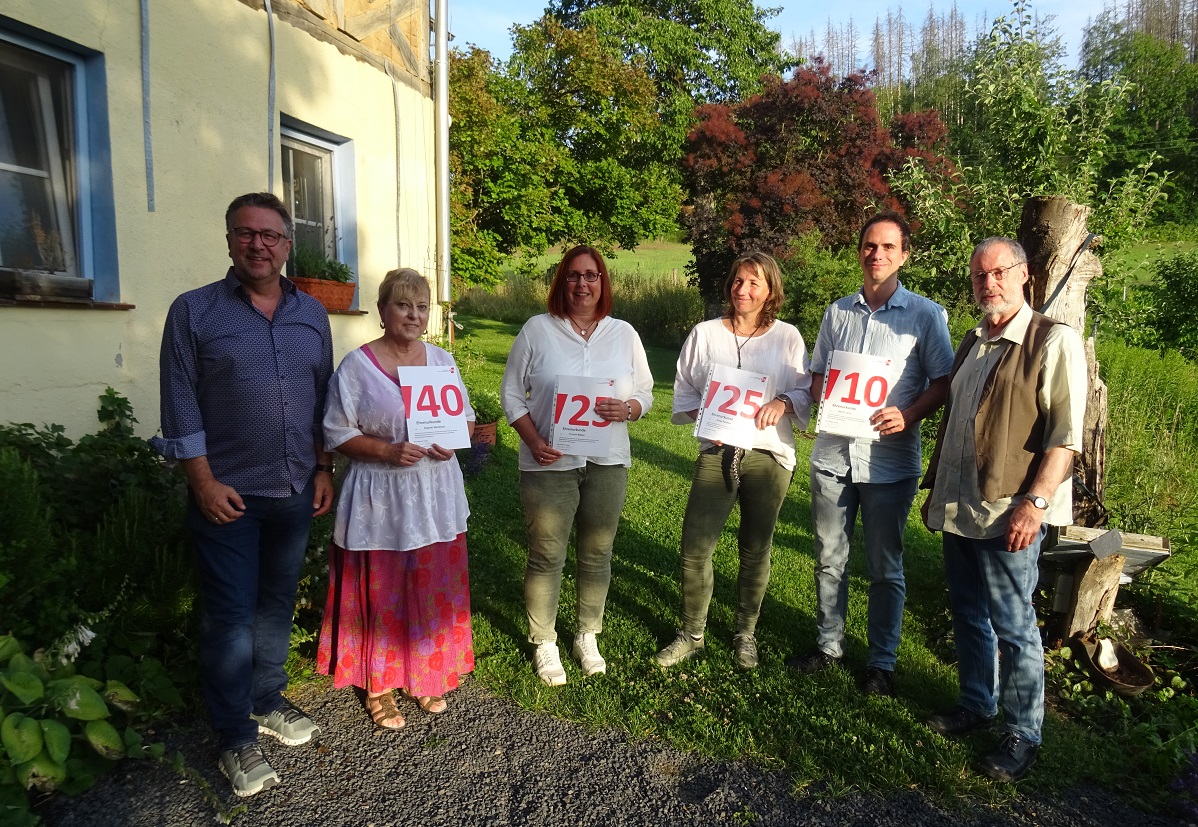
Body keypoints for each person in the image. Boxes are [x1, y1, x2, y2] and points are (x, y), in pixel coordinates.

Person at [152, 192, 333, 797]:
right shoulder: (195, 312)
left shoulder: (312, 314)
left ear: (287, 244)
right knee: (230, 618)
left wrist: (324, 467)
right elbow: (179, 404)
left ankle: (264, 698)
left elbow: (322, 399)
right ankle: (234, 737)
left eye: (270, 235)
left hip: (293, 488)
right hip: (227, 495)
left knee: (275, 602)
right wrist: (200, 481)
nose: (257, 244)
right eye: (244, 233)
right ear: (229, 240)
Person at [921, 237, 1086, 782]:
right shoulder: (973, 341)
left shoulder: (1052, 340)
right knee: (968, 612)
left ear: (1024, 275)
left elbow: (1065, 436)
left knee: (1014, 625)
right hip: (963, 505)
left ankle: (1023, 733)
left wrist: (1035, 504)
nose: (987, 284)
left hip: (1010, 511)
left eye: (997, 273)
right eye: (978, 276)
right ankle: (977, 703)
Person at [786, 212, 954, 696]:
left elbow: (943, 382)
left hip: (890, 461)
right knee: (829, 557)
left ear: (903, 255)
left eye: (886, 247)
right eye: (867, 245)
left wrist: (909, 413)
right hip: (833, 458)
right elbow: (817, 374)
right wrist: (827, 391)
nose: (876, 254)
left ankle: (882, 661)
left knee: (885, 568)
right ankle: (828, 645)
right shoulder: (836, 312)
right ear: (858, 251)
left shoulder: (926, 315)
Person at [315, 268, 475, 730]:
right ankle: (379, 684)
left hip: (434, 491)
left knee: (429, 576)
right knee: (384, 582)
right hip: (381, 493)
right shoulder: (357, 367)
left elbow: (464, 419)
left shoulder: (442, 362)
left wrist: (454, 438)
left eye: (422, 306)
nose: (413, 314)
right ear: (383, 310)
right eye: (403, 305)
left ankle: (427, 672)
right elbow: (336, 430)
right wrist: (387, 450)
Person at [500, 245, 654, 686]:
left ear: (603, 282)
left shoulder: (623, 333)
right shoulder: (537, 330)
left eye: (591, 276)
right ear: (560, 282)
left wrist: (629, 408)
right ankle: (544, 640)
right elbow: (511, 393)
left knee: (597, 551)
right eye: (572, 276)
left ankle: (587, 633)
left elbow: (645, 391)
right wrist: (533, 439)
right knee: (547, 553)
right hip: (548, 462)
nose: (582, 284)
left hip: (607, 459)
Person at [655, 251, 812, 670]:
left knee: (755, 548)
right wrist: (705, 412)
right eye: (738, 281)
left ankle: (746, 633)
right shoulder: (705, 334)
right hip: (718, 452)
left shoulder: (788, 338)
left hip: (769, 455)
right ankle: (692, 633)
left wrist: (783, 401)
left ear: (770, 291)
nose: (743, 290)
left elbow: (804, 391)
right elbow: (685, 390)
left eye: (754, 283)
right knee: (694, 548)